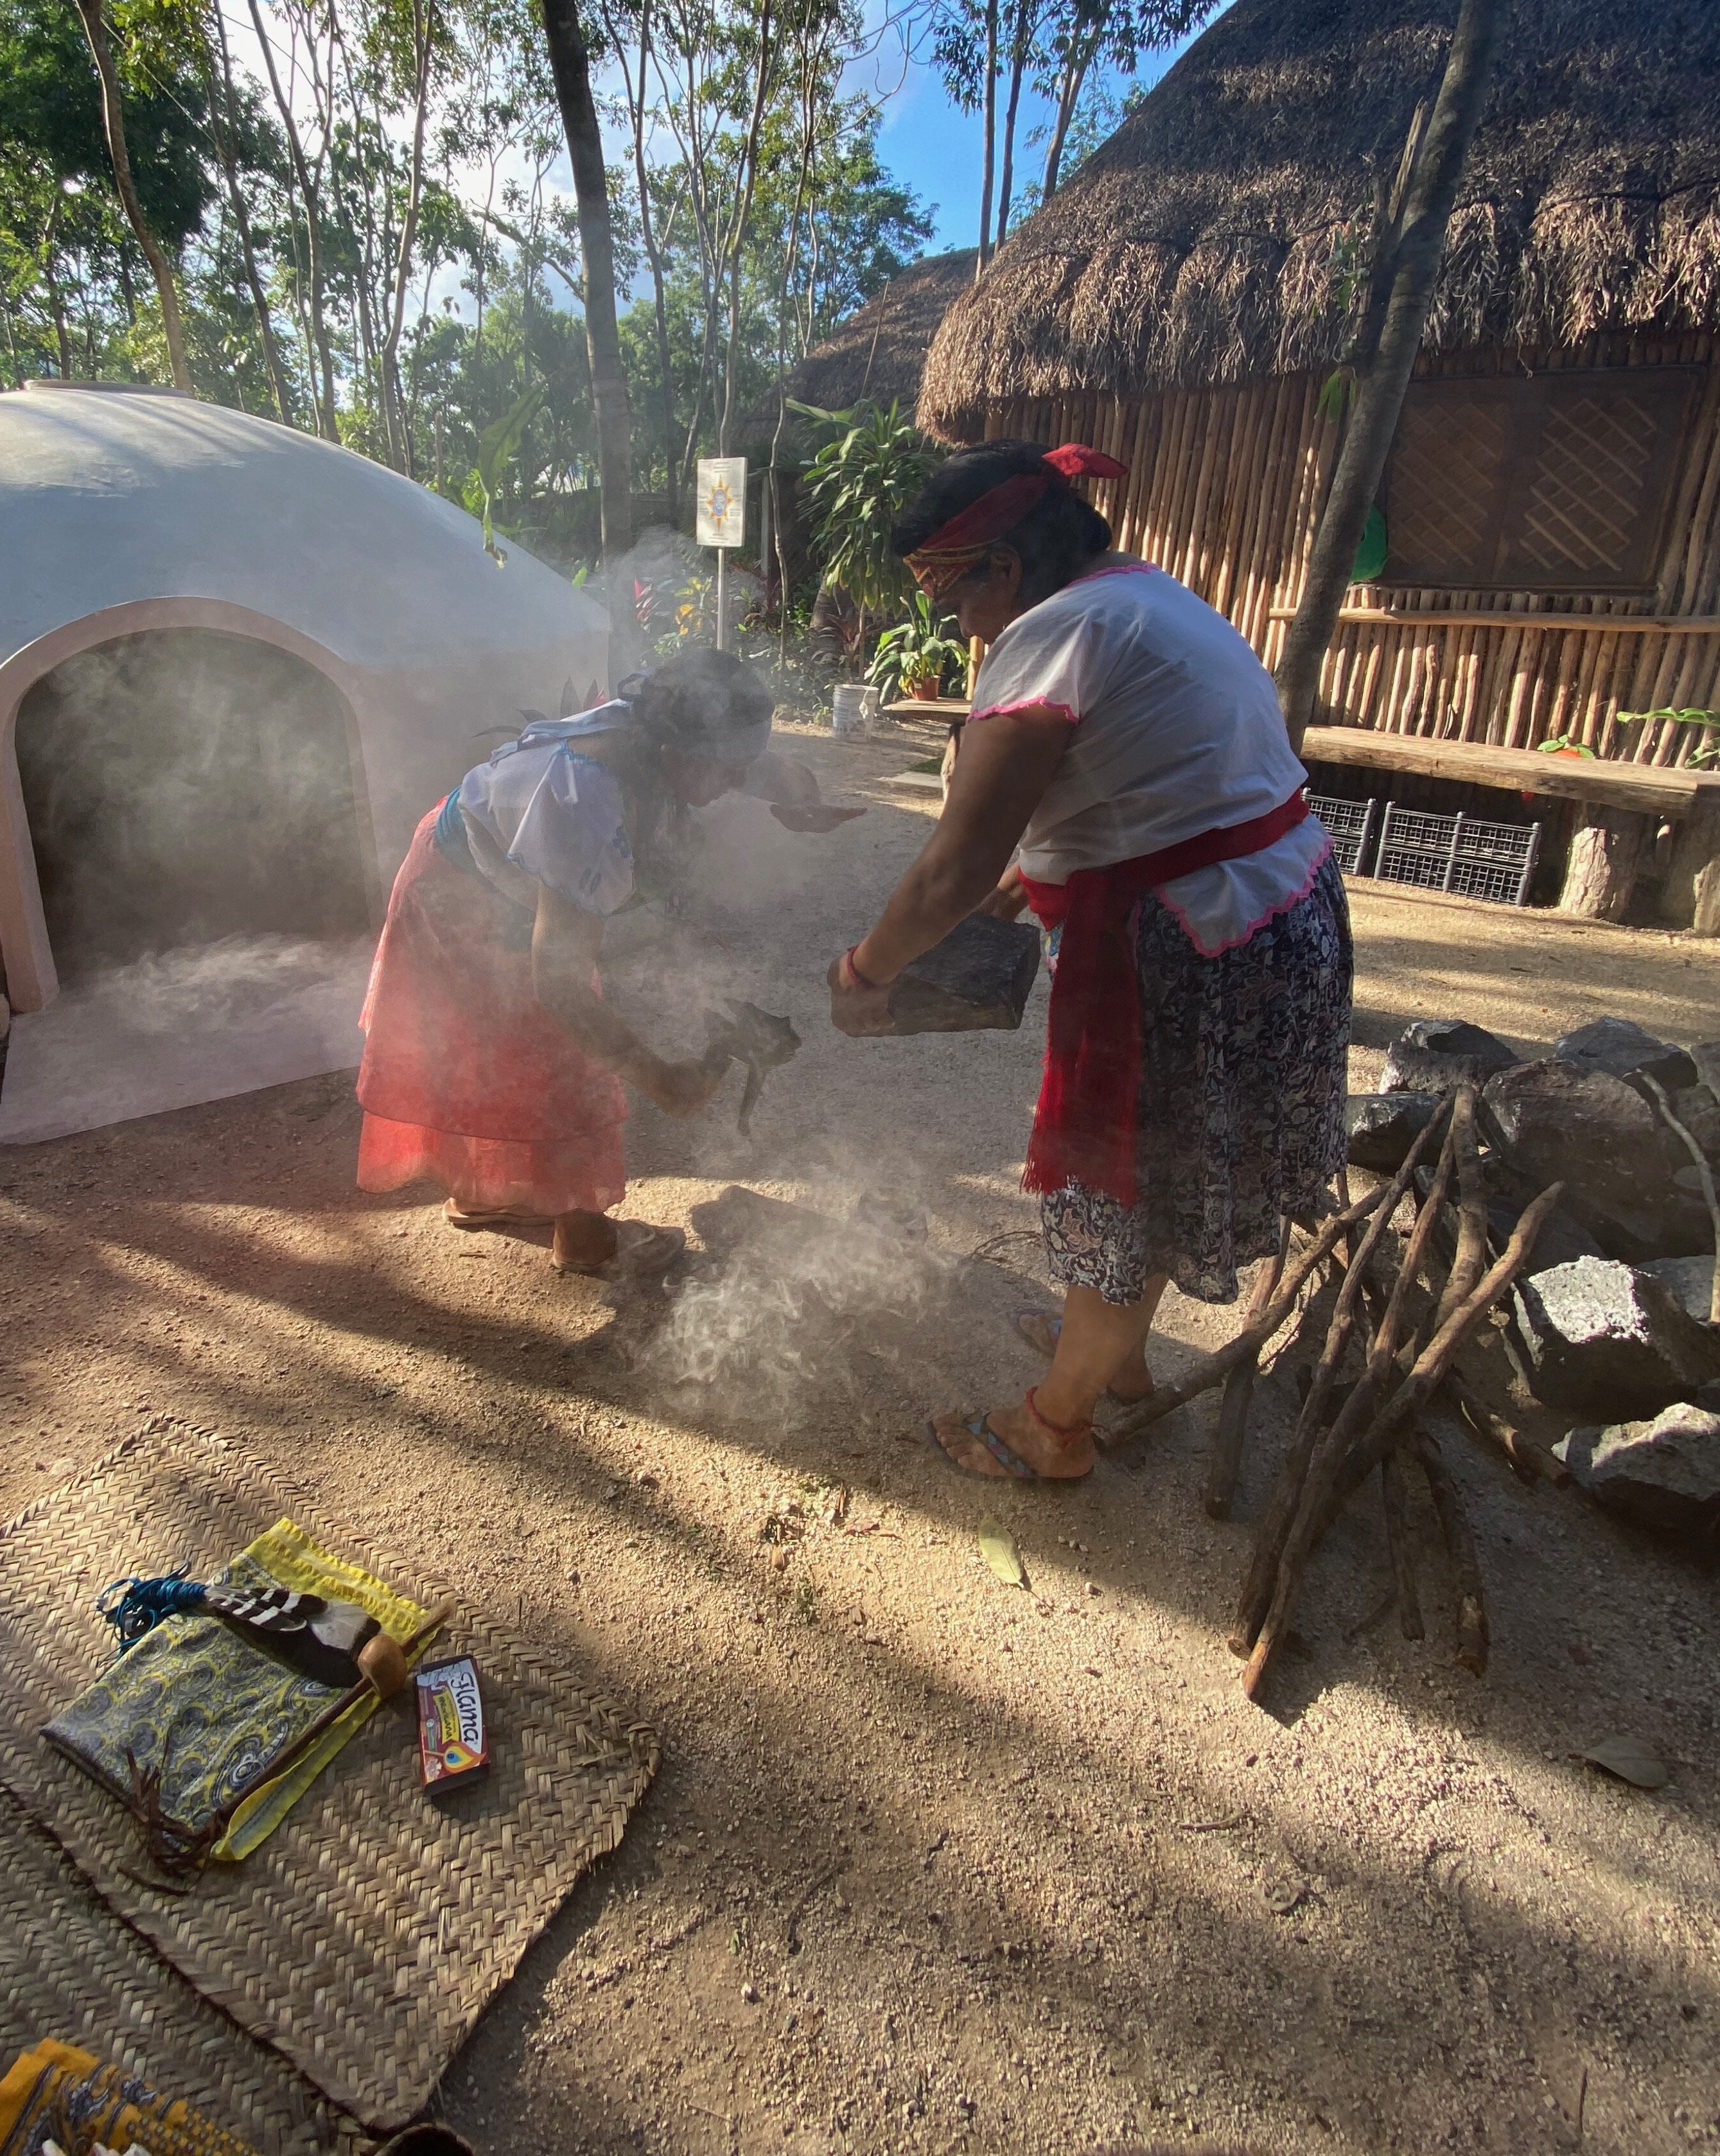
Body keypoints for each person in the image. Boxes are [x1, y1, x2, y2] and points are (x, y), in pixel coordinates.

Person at [828, 441, 1351, 1480]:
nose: (948, 617)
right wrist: (1025, 889)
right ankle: (1110, 1365)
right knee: (1152, 1184)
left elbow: (952, 867)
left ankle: (1052, 1427)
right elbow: (1140, 792)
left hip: (1186, 950)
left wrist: (864, 974)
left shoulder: (1053, 636)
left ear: (1005, 569)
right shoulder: (1139, 597)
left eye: (945, 588)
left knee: (1116, 1190)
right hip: (1267, 917)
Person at [358, 649, 805, 1275]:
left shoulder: (653, 723)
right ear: (680, 754)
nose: (735, 783)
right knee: (558, 1051)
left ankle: (488, 1193)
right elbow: (561, 986)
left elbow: (724, 760)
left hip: (469, 859)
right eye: (729, 771)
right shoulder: (583, 803)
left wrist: (787, 788)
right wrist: (657, 1076)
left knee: (501, 1040)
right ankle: (586, 1240)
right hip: (454, 893)